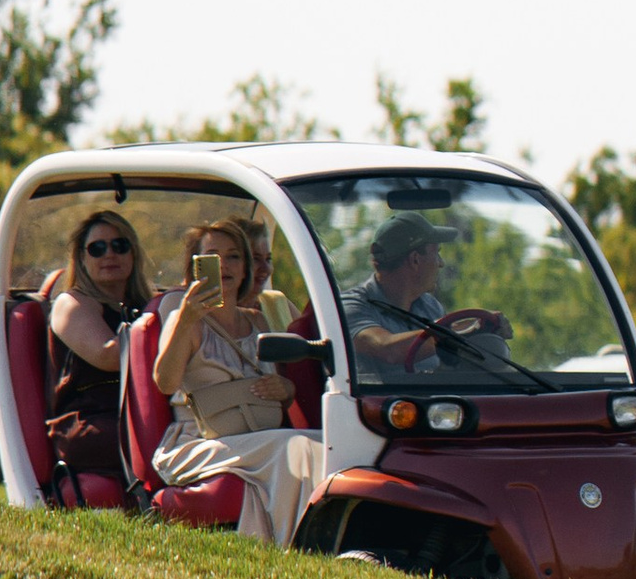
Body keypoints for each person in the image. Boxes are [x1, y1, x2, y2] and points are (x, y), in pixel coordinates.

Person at [150, 212, 324, 545]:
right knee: (294, 445)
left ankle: (314, 543)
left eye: (234, 257)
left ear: (246, 268)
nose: (225, 266)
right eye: (212, 258)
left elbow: (286, 391)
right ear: (196, 268)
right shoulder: (183, 318)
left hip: (255, 437)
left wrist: (286, 390)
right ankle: (295, 550)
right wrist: (186, 319)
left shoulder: (259, 322)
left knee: (318, 441)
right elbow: (165, 382)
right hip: (198, 442)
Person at [44, 206, 150, 485]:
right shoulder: (71, 304)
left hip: (135, 413)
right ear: (81, 258)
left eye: (119, 245)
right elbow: (110, 356)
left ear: (133, 253)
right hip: (90, 421)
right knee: (161, 435)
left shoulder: (143, 305)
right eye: (97, 249)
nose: (109, 255)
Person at [348, 213, 456, 368]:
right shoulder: (350, 307)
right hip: (373, 393)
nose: (441, 263)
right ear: (415, 259)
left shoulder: (430, 307)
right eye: (436, 253)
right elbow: (388, 350)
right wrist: (460, 332)